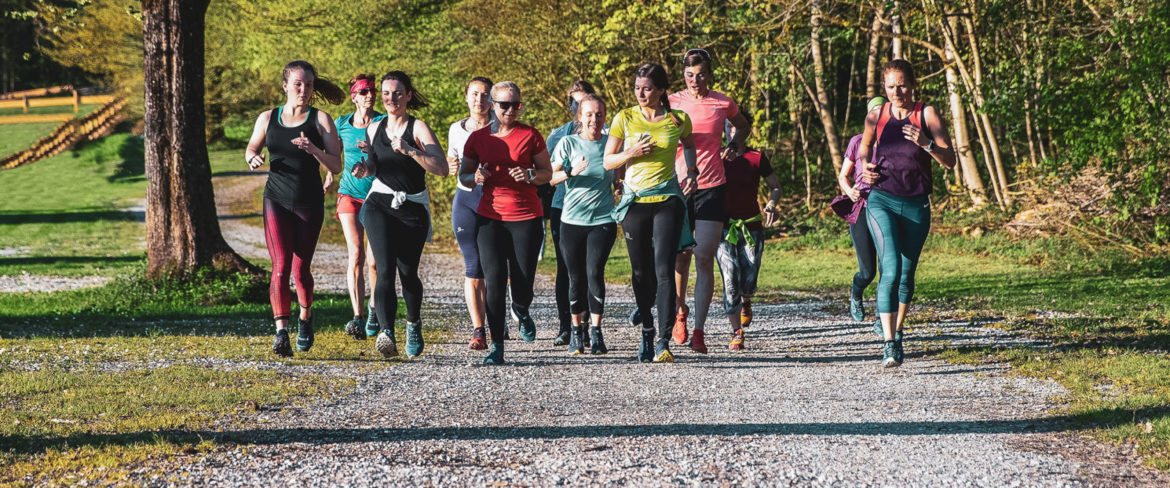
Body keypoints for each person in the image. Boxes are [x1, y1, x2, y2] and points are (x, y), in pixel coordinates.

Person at [856, 59, 956, 367]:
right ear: (883, 88)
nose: (897, 91)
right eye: (890, 86)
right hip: (881, 199)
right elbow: (864, 148)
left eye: (902, 85)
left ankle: (897, 334)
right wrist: (866, 167)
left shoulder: (926, 114)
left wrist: (927, 145)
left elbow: (950, 160)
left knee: (907, 274)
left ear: (913, 84)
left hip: (916, 204)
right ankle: (888, 343)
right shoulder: (877, 115)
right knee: (890, 268)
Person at [244, 60, 344, 357]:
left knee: (301, 270)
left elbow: (336, 165)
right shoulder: (267, 118)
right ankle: (280, 332)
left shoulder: (321, 120)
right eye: (298, 84)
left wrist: (314, 150)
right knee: (280, 266)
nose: (304, 90)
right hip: (275, 197)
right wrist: (252, 158)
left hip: (309, 200)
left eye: (309, 85)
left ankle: (305, 316)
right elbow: (252, 148)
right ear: (285, 85)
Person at [603, 63, 697, 363]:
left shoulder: (677, 118)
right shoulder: (625, 118)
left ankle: (663, 340)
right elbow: (608, 161)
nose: (640, 93)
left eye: (646, 88)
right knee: (641, 272)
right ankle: (646, 328)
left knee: (664, 268)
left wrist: (691, 171)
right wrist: (631, 153)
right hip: (635, 203)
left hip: (667, 200)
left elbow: (690, 144)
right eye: (637, 88)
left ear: (660, 90)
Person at [351, 71, 448, 358]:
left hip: (412, 208)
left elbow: (441, 168)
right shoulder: (374, 128)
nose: (390, 98)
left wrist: (410, 150)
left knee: (408, 274)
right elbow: (373, 166)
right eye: (385, 93)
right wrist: (364, 169)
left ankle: (413, 323)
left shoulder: (418, 129)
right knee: (384, 267)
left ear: (407, 95)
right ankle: (386, 332)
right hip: (379, 203)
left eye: (396, 93)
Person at [459, 81, 553, 365]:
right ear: (492, 104)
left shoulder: (530, 135)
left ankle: (521, 309)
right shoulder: (477, 139)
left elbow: (546, 173)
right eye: (503, 105)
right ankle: (497, 345)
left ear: (520, 106)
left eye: (515, 105)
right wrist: (475, 177)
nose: (509, 110)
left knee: (523, 283)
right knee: (495, 280)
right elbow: (463, 176)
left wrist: (529, 175)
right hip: (490, 218)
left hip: (526, 217)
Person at [668, 48, 751, 354]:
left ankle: (699, 332)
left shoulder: (722, 101)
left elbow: (742, 125)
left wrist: (734, 144)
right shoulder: (672, 102)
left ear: (709, 73)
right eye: (689, 75)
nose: (695, 81)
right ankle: (680, 311)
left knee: (703, 258)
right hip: (678, 186)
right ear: (683, 75)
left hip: (712, 186)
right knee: (681, 258)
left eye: (700, 74)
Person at [549, 94, 615, 355]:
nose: (594, 119)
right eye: (588, 114)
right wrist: (570, 172)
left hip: (603, 220)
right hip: (572, 221)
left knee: (595, 274)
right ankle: (577, 333)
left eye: (599, 114)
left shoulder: (611, 144)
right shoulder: (567, 143)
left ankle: (597, 333)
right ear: (579, 117)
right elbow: (551, 178)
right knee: (575, 277)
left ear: (605, 117)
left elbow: (619, 174)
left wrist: (621, 185)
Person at [330, 74, 385, 342]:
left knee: (374, 262)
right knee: (356, 255)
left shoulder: (383, 122)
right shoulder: (341, 124)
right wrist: (330, 175)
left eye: (372, 91)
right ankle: (357, 316)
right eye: (363, 92)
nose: (370, 96)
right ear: (354, 96)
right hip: (349, 194)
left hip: (377, 196)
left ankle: (374, 310)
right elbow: (334, 155)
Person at [545, 80, 599, 347]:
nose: (579, 108)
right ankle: (566, 326)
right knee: (566, 268)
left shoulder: (607, 135)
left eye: (584, 102)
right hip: (562, 207)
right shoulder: (558, 136)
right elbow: (547, 174)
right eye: (574, 103)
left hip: (595, 211)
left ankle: (589, 325)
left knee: (590, 270)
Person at [716, 129, 781, 351]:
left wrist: (772, 203)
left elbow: (775, 186)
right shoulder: (716, 157)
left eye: (737, 127)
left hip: (752, 226)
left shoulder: (757, 157)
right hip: (723, 227)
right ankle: (736, 332)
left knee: (749, 278)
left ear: (745, 131)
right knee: (730, 277)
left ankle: (746, 300)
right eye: (728, 127)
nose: (732, 132)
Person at [447, 76, 497, 350]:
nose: (480, 99)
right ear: (466, 97)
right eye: (475, 94)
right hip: (466, 200)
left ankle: (499, 317)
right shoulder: (456, 129)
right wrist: (450, 164)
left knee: (494, 267)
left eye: (485, 94)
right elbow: (451, 162)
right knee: (473, 267)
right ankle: (479, 330)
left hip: (496, 202)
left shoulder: (501, 127)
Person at [836, 97, 887, 324]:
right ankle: (856, 293)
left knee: (889, 268)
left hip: (887, 206)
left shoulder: (894, 143)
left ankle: (881, 316)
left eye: (882, 111)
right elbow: (843, 176)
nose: (877, 115)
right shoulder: (857, 142)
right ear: (868, 116)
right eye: (873, 111)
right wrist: (849, 191)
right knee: (868, 272)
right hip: (863, 207)